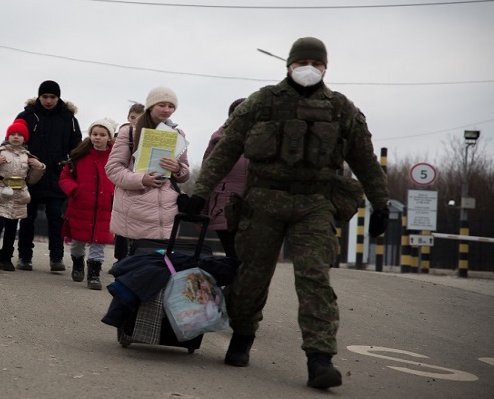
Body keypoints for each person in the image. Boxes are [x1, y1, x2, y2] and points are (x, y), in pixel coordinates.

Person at [182, 37, 390, 389]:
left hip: (314, 205)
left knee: (315, 279)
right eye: (301, 62)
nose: (309, 68)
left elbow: (366, 161)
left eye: (316, 63)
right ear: (289, 65)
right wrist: (200, 194)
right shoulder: (263, 102)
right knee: (251, 276)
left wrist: (381, 203)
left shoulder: (341, 109)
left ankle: (320, 359)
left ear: (325, 67)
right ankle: (242, 337)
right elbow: (227, 148)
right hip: (263, 202)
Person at [105, 86, 190, 245]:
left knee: (159, 263)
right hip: (134, 208)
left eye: (171, 106)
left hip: (166, 210)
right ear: (150, 106)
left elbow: (185, 173)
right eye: (161, 105)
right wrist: (141, 180)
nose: (167, 110)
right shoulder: (129, 132)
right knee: (136, 262)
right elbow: (113, 169)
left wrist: (177, 168)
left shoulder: (178, 134)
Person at [14, 80, 82, 273]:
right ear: (39, 96)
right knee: (27, 217)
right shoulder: (27, 116)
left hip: (57, 175)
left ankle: (56, 257)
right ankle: (24, 257)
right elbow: (14, 140)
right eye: (45, 96)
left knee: (56, 218)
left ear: (58, 97)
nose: (49, 100)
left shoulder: (68, 119)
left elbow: (76, 148)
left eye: (52, 97)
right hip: (30, 176)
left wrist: (71, 168)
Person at [59, 118, 118, 289]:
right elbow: (65, 177)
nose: (97, 137)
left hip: (105, 207)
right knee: (77, 242)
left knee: (99, 242)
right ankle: (78, 263)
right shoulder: (79, 156)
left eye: (102, 134)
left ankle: (94, 275)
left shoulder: (116, 157)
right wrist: (74, 190)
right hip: (80, 206)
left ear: (109, 137)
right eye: (94, 134)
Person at [0, 119, 45, 272]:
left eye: (20, 135)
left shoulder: (28, 156)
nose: (16, 137)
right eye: (12, 134)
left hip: (18, 195)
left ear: (25, 138)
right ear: (7, 136)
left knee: (11, 227)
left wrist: (39, 167)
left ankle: (6, 258)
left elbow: (31, 180)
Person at [199, 98, 248, 259]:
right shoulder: (219, 139)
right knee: (235, 257)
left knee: (251, 260)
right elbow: (207, 176)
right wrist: (201, 211)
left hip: (257, 209)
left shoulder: (266, 140)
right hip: (224, 206)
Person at [111, 103, 145, 266]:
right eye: (133, 118)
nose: (135, 121)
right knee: (121, 226)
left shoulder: (147, 136)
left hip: (141, 184)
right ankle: (121, 258)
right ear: (128, 117)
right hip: (122, 184)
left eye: (139, 118)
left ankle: (133, 257)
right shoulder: (123, 135)